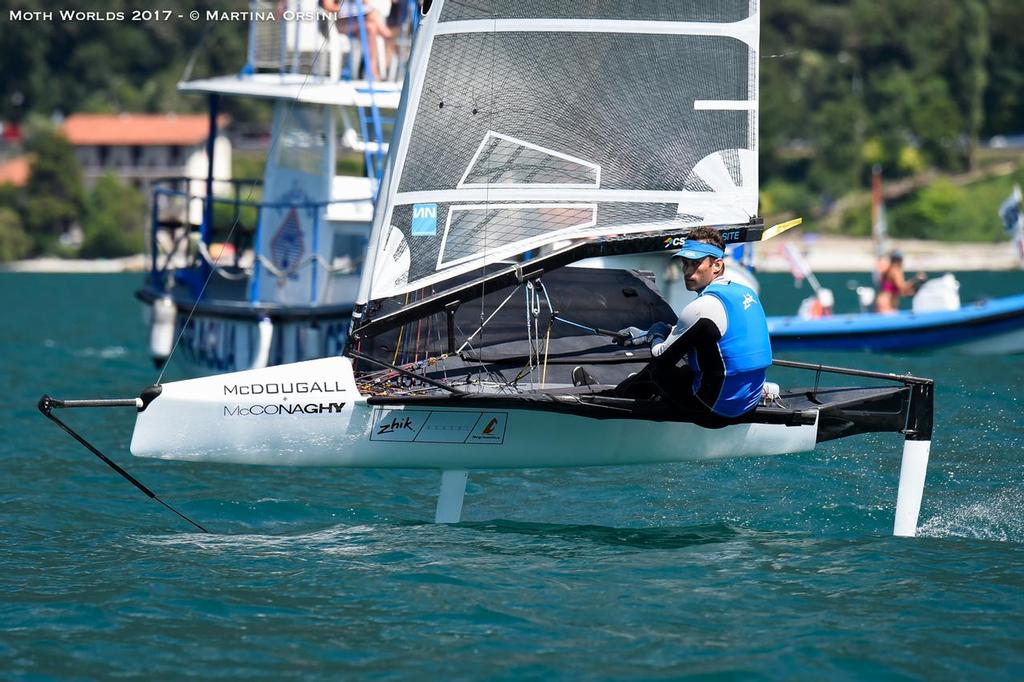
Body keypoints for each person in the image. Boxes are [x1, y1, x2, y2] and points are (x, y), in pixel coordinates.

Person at [615, 227, 772, 419]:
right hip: (749, 401)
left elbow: (660, 356)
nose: (688, 271)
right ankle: (636, 388)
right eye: (685, 263)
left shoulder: (702, 307)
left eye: (696, 264)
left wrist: (655, 333)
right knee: (689, 365)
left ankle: (616, 396)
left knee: (656, 372)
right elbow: (705, 333)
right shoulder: (747, 293)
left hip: (715, 409)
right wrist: (659, 332)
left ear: (717, 265)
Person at [320, 0, 394, 81]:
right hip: (339, 22)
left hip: (358, 21)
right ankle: (388, 35)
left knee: (371, 27)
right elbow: (328, 6)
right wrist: (348, 10)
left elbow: (366, 3)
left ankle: (372, 72)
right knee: (372, 18)